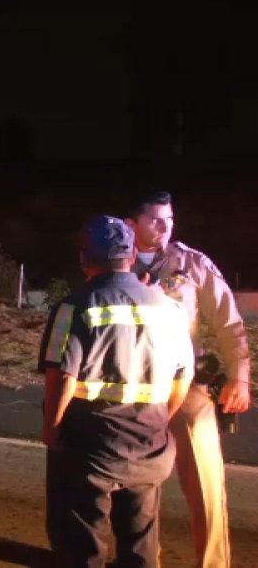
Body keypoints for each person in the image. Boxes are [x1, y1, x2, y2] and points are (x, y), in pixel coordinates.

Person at [39, 215, 194, 566]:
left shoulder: (73, 306)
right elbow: (183, 378)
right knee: (140, 547)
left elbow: (62, 377)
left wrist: (51, 428)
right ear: (133, 252)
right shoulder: (171, 310)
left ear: (84, 258)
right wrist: (160, 420)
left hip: (91, 451)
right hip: (150, 446)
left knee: (83, 548)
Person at [125, 191, 250, 567]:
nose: (165, 227)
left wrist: (240, 377)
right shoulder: (113, 262)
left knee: (207, 484)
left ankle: (213, 563)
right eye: (155, 220)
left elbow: (228, 323)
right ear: (132, 224)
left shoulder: (191, 264)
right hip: (130, 390)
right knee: (136, 488)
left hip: (185, 384)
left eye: (170, 219)